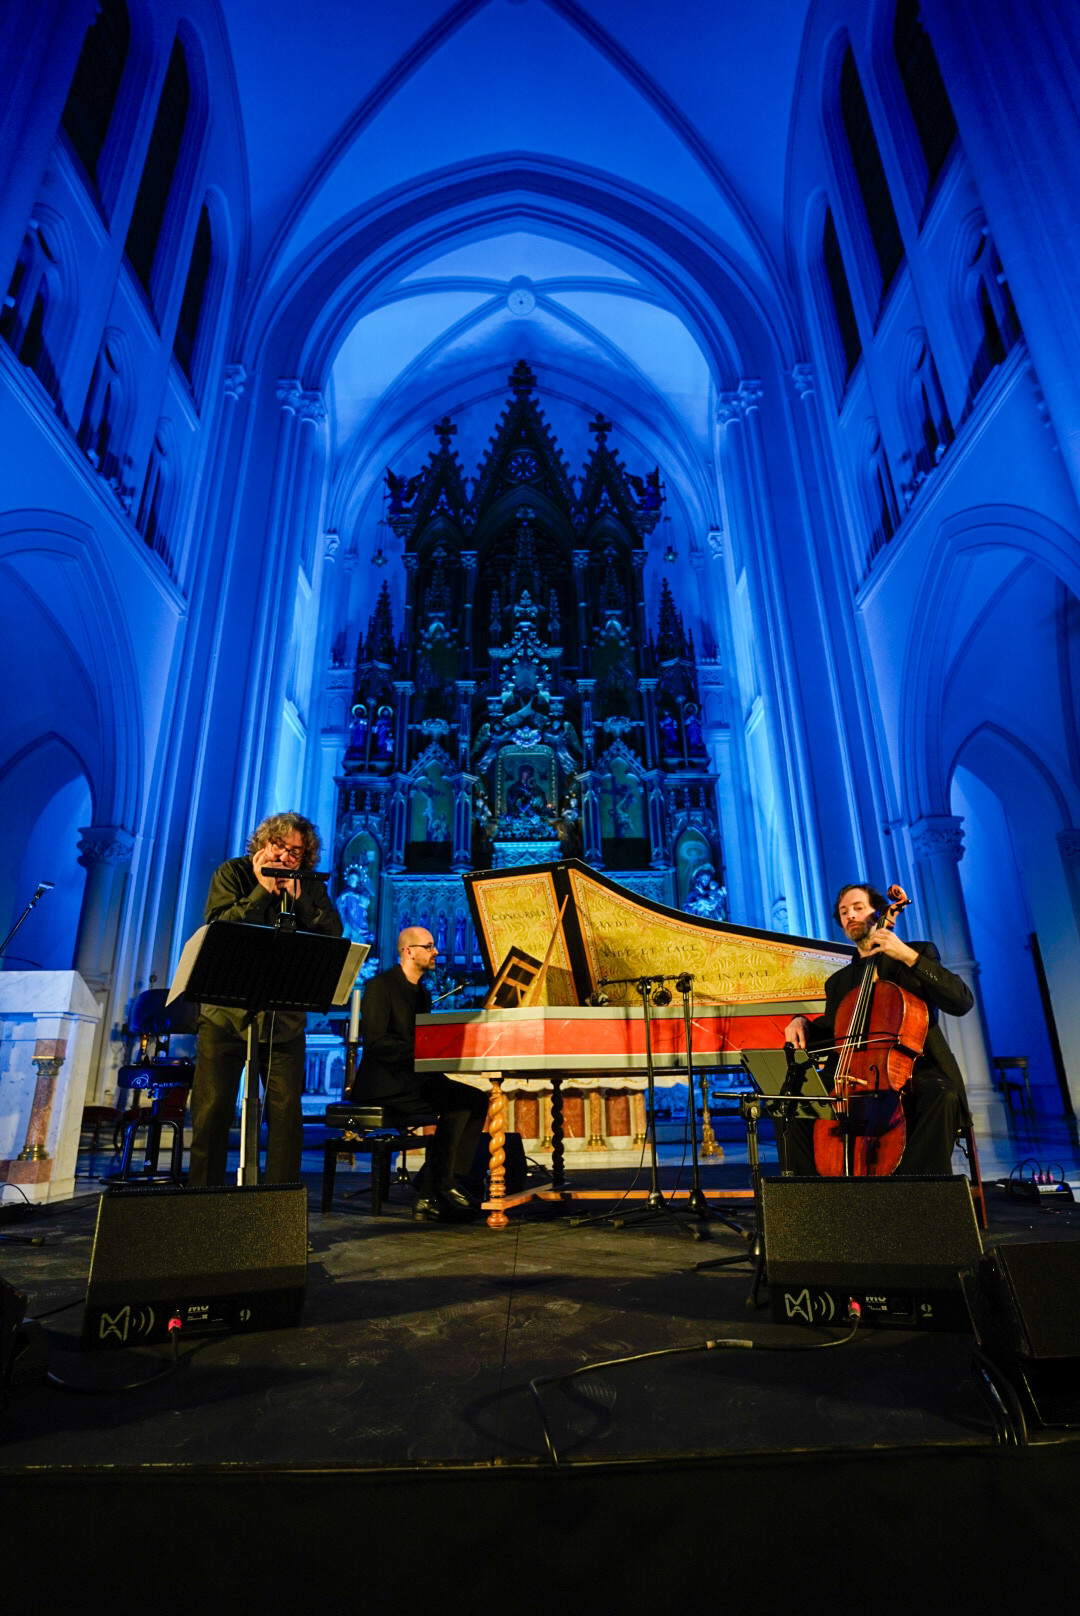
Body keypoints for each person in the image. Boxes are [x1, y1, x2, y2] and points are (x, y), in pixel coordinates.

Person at [188, 811, 343, 1186]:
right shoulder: (232, 873)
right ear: (263, 843)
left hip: (283, 1021)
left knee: (286, 1116)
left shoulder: (308, 887)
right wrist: (261, 891)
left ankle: (279, 1213)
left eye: (296, 852)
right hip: (226, 1014)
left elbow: (334, 934)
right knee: (212, 1113)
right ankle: (200, 1209)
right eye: (279, 846)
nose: (287, 858)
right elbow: (220, 928)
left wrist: (301, 901)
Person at [782, 882, 974, 1178]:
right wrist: (801, 1021)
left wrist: (908, 956)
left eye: (859, 908)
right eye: (844, 912)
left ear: (878, 912)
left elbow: (961, 1001)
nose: (850, 916)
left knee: (941, 1094)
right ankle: (812, 1197)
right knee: (792, 1102)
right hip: (850, 1073)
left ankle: (915, 1193)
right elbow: (832, 1029)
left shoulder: (916, 954)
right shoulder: (839, 982)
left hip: (911, 1067)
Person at [350, 926, 488, 1221]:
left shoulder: (422, 993)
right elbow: (376, 1043)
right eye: (429, 946)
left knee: (475, 1099)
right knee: (457, 1103)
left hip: (414, 1077)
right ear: (408, 951)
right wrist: (420, 1052)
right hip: (383, 1082)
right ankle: (435, 1191)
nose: (436, 951)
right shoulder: (380, 986)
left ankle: (444, 1187)